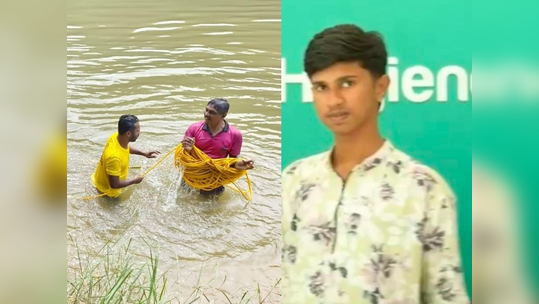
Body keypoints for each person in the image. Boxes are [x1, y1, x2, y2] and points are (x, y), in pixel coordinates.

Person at [281, 24, 470, 303]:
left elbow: (447, 295)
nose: (334, 100)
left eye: (347, 83)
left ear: (380, 87)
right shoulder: (294, 181)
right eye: (321, 87)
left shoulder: (425, 189)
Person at [181, 98, 254, 196]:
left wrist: (238, 165)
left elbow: (230, 162)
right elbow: (183, 157)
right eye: (206, 110)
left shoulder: (235, 135)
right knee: (183, 200)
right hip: (192, 174)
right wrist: (188, 151)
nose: (206, 114)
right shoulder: (194, 128)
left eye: (212, 112)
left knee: (209, 208)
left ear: (223, 115)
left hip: (214, 178)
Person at [92, 115, 160, 198]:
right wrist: (134, 180)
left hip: (99, 180)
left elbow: (126, 147)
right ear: (128, 133)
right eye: (137, 130)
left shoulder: (116, 137)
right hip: (108, 192)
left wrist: (144, 153)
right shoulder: (114, 157)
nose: (139, 133)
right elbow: (114, 184)